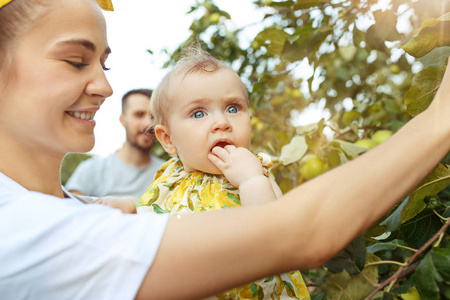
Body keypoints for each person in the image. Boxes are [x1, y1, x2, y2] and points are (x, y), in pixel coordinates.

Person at [1, 0, 450, 299]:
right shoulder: (23, 230)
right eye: (76, 60)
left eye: (105, 63)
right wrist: (437, 121)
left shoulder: (70, 215)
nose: (104, 85)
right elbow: (296, 232)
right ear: (168, 139)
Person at [137, 45, 309, 299]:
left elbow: (272, 232)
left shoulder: (254, 174)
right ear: (168, 139)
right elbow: (157, 212)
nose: (222, 123)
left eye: (232, 108)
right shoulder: (169, 178)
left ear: (249, 120)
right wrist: (130, 206)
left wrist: (250, 180)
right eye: (198, 113)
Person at [65, 88, 166, 198]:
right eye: (139, 114)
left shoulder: (168, 174)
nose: (148, 123)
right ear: (122, 120)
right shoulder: (92, 170)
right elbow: (71, 210)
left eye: (153, 116)